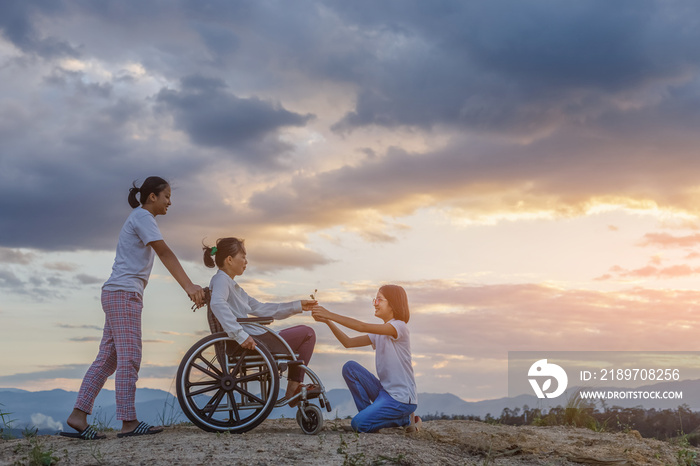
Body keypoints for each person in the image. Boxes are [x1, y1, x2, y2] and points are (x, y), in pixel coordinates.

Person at [63, 177, 205, 440]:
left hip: (118, 293)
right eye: (167, 196)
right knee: (130, 357)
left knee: (108, 358)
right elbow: (164, 253)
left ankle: (78, 416)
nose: (170, 202)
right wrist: (188, 286)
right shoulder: (143, 217)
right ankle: (129, 422)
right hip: (124, 294)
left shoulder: (139, 218)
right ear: (152, 196)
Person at [203, 237, 318, 406]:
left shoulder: (231, 285)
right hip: (251, 342)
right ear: (229, 259)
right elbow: (217, 304)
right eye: (243, 257)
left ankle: (294, 386)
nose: (246, 262)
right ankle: (293, 387)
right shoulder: (221, 281)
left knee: (304, 332)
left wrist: (298, 305)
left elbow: (262, 309)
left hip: (255, 338)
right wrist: (240, 335)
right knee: (307, 333)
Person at [312, 284, 421, 433]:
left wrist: (329, 314)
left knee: (358, 424)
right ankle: (369, 417)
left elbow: (361, 326)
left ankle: (405, 419)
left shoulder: (399, 327)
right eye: (374, 300)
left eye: (379, 300)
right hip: (385, 393)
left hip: (400, 400)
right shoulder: (379, 333)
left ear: (392, 304)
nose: (375, 304)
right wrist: (327, 321)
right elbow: (348, 342)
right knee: (350, 368)